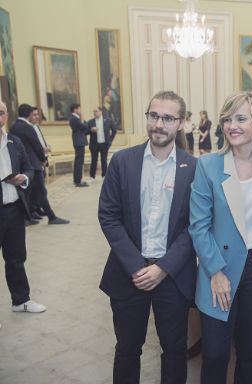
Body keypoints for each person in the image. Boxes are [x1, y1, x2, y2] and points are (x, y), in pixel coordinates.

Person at [98, 91, 197, 384]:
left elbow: (195, 226)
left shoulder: (193, 169)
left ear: (180, 123)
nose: (159, 124)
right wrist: (137, 266)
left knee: (175, 349)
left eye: (168, 118)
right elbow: (109, 215)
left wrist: (163, 267)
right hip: (129, 273)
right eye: (154, 115)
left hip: (173, 276)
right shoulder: (123, 162)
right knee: (127, 349)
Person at [189, 91, 252, 384]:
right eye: (227, 119)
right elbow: (198, 226)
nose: (233, 126)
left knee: (251, 350)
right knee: (215, 353)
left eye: (240, 118)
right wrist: (215, 271)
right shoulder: (208, 165)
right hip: (219, 266)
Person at [0, 101, 47, 314]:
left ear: (6, 116)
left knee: (16, 259)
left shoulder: (14, 141)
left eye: (1, 113)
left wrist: (24, 178)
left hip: (14, 210)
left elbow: (29, 168)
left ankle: (20, 301)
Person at [9, 104, 69, 225]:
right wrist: (43, 159)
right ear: (30, 114)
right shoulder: (28, 127)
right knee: (41, 192)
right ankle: (51, 217)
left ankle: (28, 217)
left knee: (27, 192)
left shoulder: (13, 127)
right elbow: (37, 146)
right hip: (33, 165)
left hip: (21, 165)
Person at [87, 106, 117, 180]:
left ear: (101, 112)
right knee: (94, 160)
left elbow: (114, 130)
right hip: (94, 144)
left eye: (96, 111)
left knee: (104, 160)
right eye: (94, 111)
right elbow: (85, 132)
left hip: (104, 144)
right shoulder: (90, 122)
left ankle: (104, 176)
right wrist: (91, 130)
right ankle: (92, 176)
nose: (94, 113)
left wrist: (110, 140)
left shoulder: (108, 120)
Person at [69, 103, 90, 187]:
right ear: (75, 109)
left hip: (78, 142)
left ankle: (77, 179)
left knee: (78, 161)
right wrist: (84, 119)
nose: (80, 111)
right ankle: (78, 181)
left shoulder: (74, 118)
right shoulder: (74, 119)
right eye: (79, 109)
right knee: (79, 162)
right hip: (79, 142)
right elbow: (84, 127)